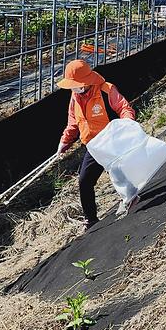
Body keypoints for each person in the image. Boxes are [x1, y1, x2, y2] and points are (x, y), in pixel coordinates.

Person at [55, 59, 136, 231]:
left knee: (119, 174)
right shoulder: (74, 97)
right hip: (92, 146)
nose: (73, 88)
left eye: (75, 85)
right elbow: (73, 122)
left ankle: (132, 199)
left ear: (87, 81)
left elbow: (124, 108)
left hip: (111, 141)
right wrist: (65, 141)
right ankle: (91, 219)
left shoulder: (106, 90)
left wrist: (127, 123)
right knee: (84, 181)